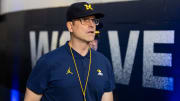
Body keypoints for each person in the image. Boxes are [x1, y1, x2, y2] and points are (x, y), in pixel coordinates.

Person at [24, 2, 115, 101]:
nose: (92, 25)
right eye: (85, 20)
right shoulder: (48, 62)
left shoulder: (103, 62)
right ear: (70, 26)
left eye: (94, 20)